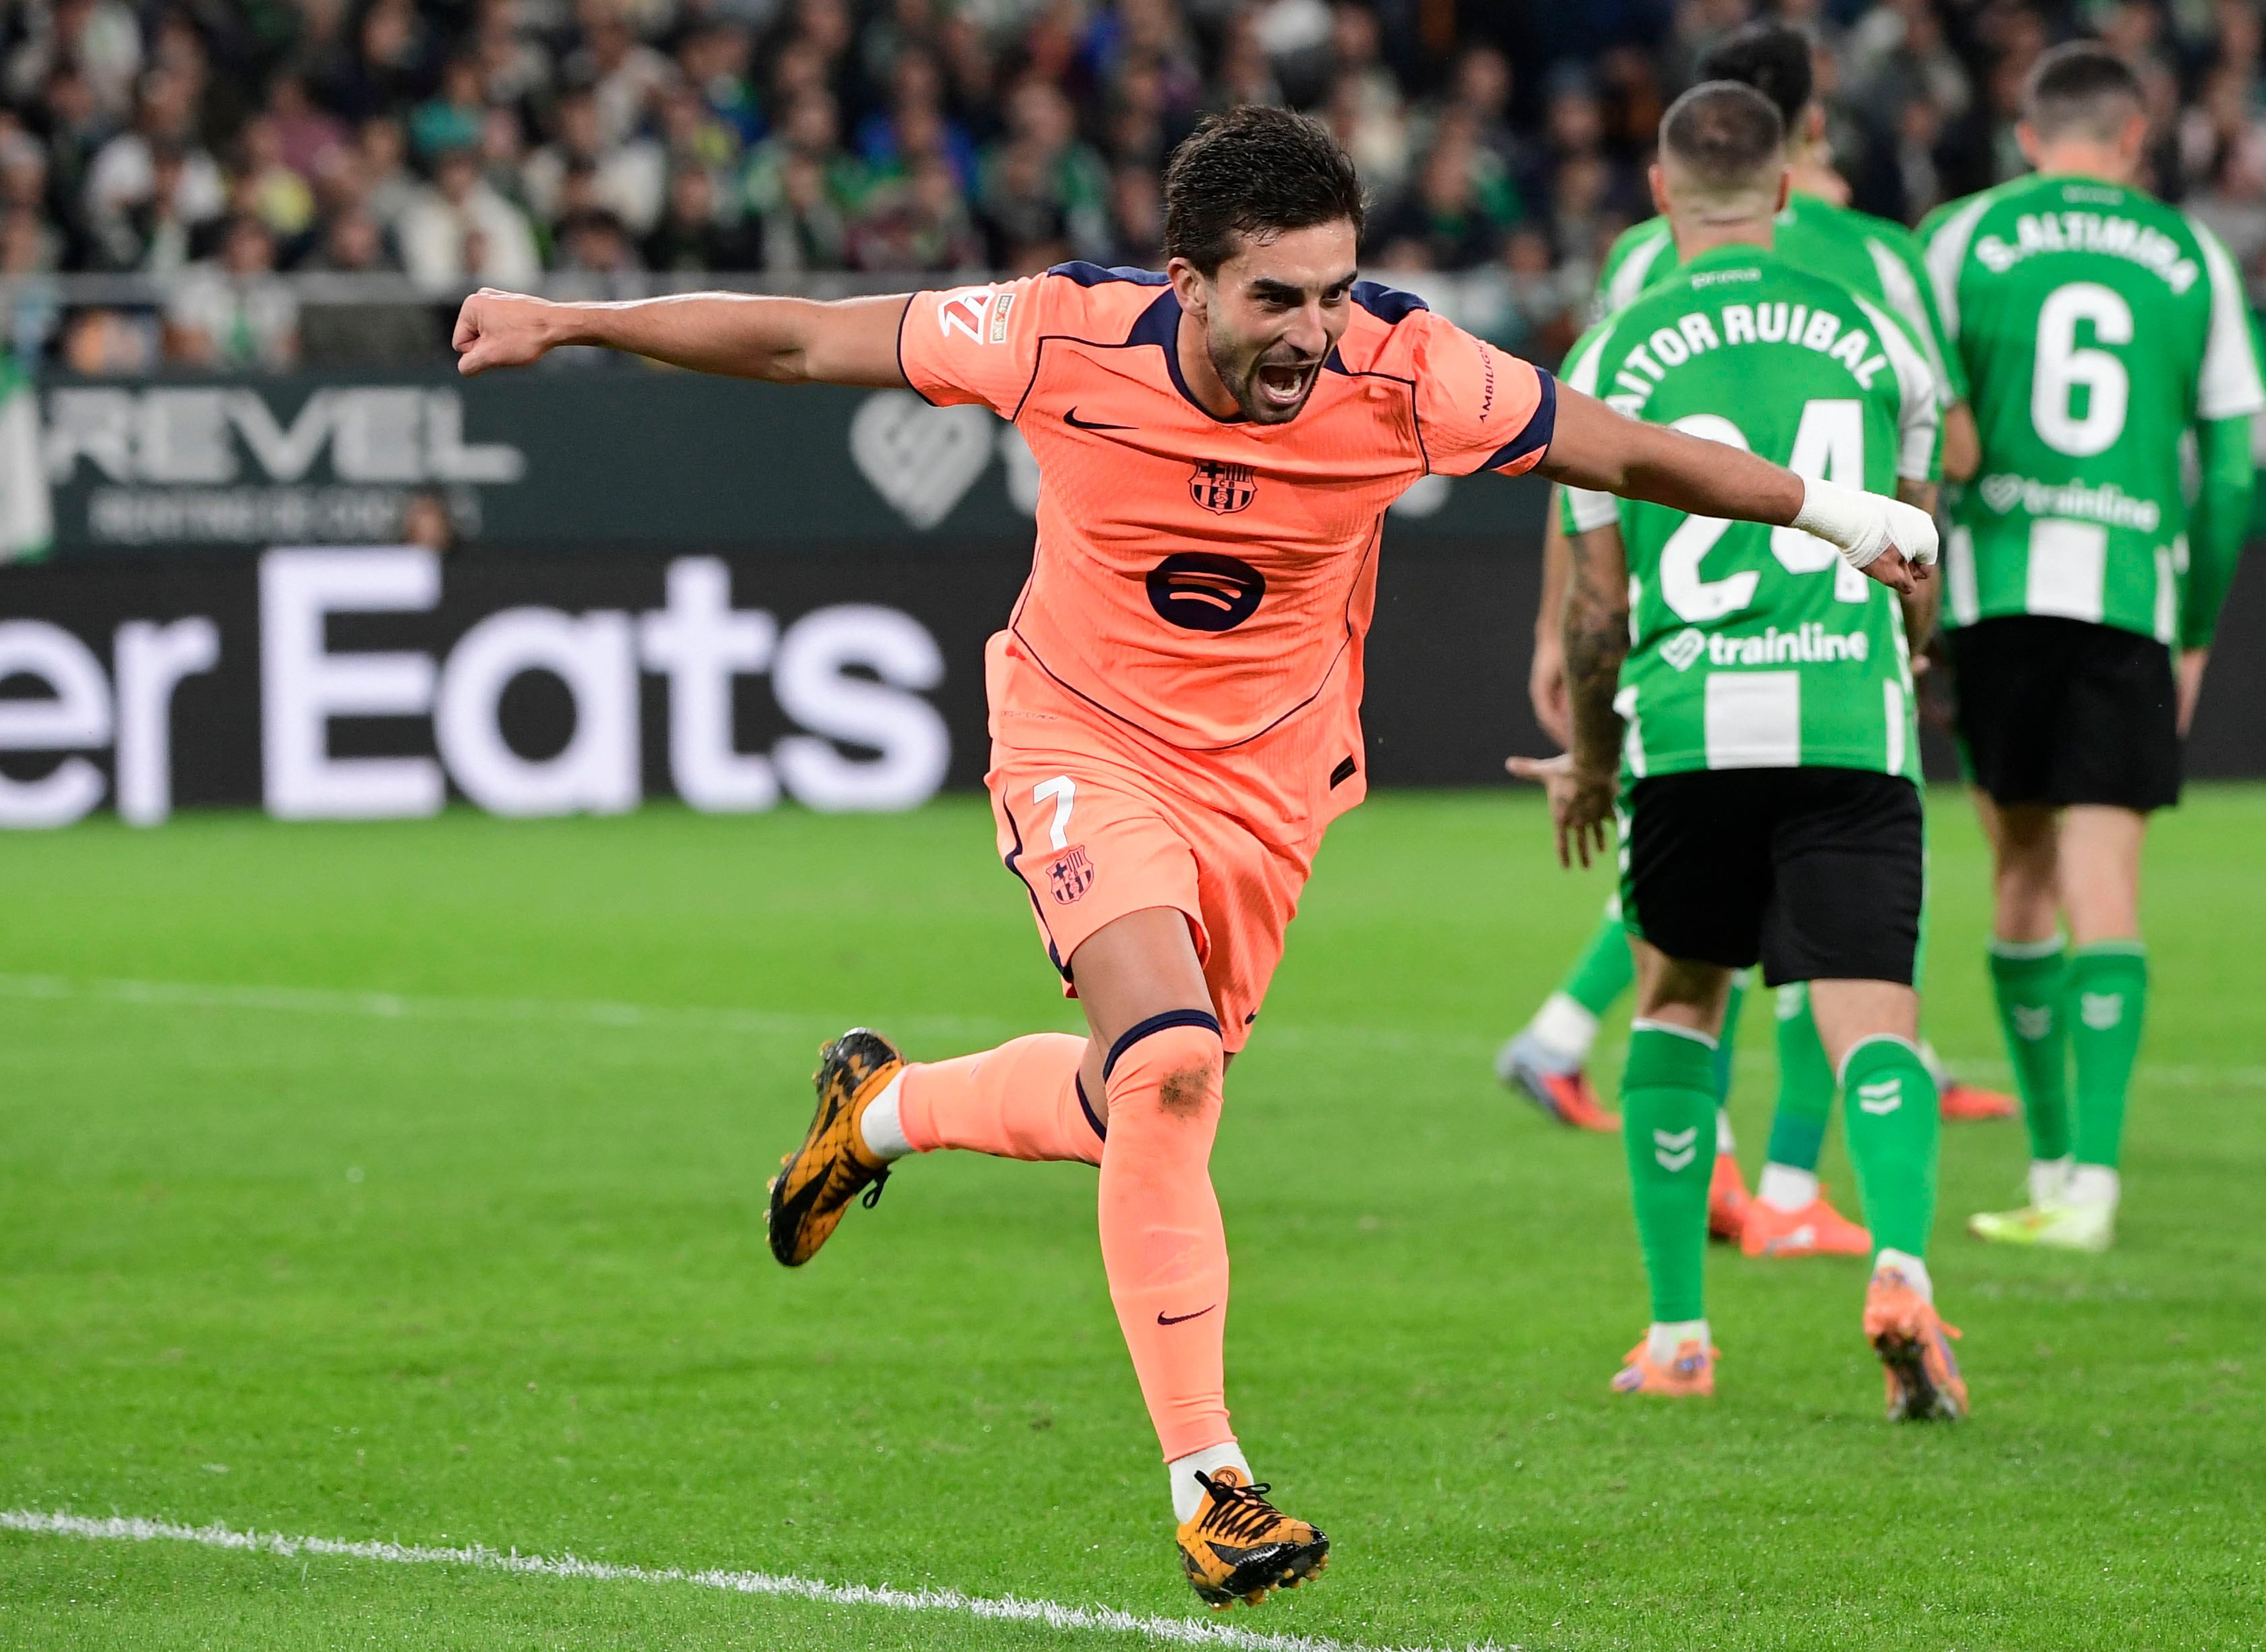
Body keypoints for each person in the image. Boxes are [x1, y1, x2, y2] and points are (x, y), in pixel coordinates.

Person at [448, 105, 1937, 1609]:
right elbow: (800, 342)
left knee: (1135, 1101)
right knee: (1169, 1068)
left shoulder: (1409, 370)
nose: (1313, 333)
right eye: (1275, 297)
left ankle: (881, 1111)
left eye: (1334, 292)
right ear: (1186, 283)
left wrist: (1835, 513)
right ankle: (1211, 1486)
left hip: (1268, 792)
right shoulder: (1060, 336)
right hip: (1080, 740)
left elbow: (1617, 450)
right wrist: (571, 320)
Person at [1494, 21, 2015, 1264]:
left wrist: (1565, 657)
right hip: (1842, 673)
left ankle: (1682, 1293)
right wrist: (1913, 628)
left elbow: (1595, 470)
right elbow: (1940, 469)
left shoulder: (1630, 287)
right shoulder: (1875, 280)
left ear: (1661, 184)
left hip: (1682, 682)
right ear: (1793, 170)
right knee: (1844, 975)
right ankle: (1809, 1198)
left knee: (1686, 983)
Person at [1921, 45, 2265, 1252]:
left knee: (2019, 877)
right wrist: (2196, 624)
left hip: (1996, 593)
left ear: (2027, 137)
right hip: (2127, 597)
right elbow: (2232, 474)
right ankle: (2093, 1188)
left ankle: (2051, 1159)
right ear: (2134, 139)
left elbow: (1929, 428)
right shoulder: (2193, 255)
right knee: (2105, 886)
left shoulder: (1959, 239)